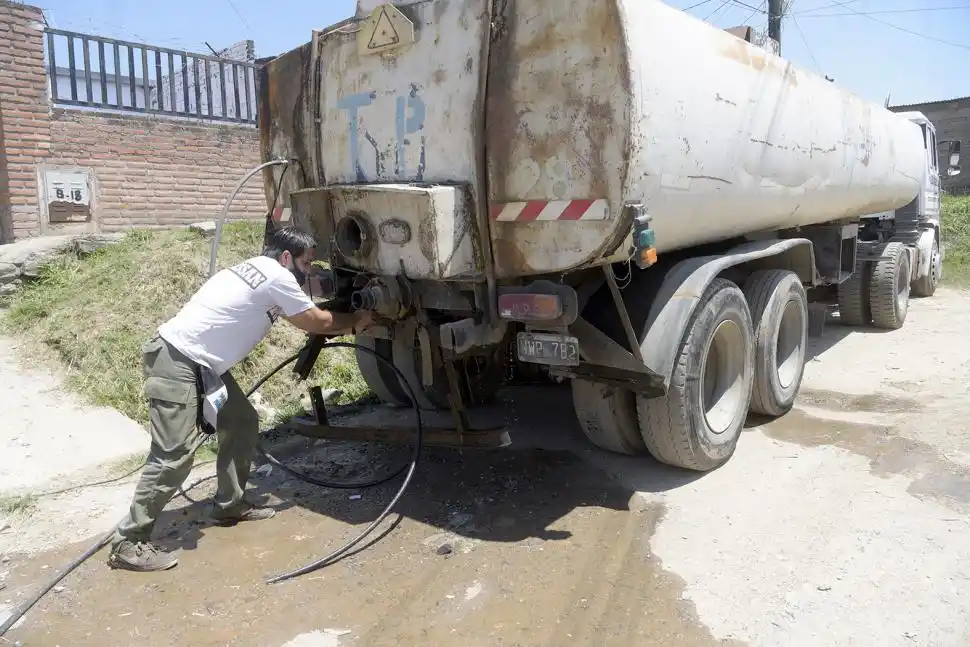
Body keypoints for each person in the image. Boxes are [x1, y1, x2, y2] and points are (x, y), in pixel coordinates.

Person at [108, 226, 374, 572]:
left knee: (242, 420)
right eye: (307, 264)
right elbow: (314, 321)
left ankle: (230, 505)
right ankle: (129, 542)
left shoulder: (253, 268)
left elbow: (302, 297)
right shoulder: (277, 276)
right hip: (178, 362)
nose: (309, 271)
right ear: (285, 258)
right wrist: (358, 321)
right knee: (173, 456)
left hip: (202, 364)